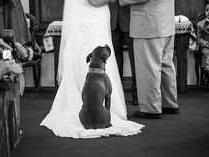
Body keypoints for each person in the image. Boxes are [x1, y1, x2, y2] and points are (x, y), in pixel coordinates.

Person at [40, 0, 144, 138]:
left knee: (85, 54)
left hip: (89, 16)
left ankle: (91, 106)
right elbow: (94, 1)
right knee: (90, 51)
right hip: (90, 18)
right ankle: (96, 107)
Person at [119, 0, 179, 119]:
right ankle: (169, 103)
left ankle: (150, 108)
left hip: (149, 22)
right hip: (165, 20)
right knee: (165, 64)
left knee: (148, 66)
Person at [108, 2, 138, 105]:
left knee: (135, 59)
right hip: (112, 21)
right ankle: (117, 94)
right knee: (114, 61)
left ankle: (137, 95)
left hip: (130, 19)